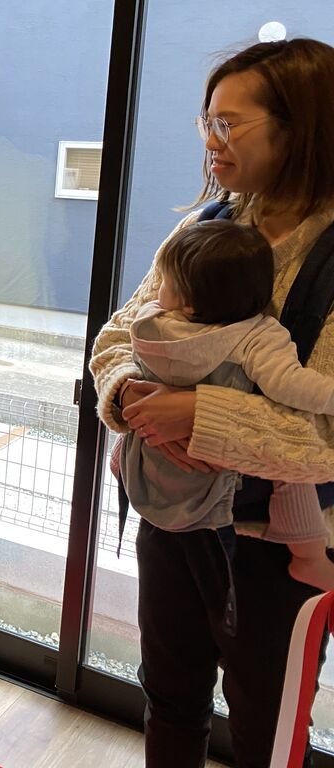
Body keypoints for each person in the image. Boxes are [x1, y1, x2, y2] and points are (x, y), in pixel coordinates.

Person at [91, 37, 334, 768]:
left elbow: (324, 433)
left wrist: (196, 417)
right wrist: (130, 394)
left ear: (300, 129)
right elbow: (118, 334)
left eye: (229, 124)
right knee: (169, 694)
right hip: (175, 515)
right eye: (207, 121)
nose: (211, 140)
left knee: (268, 729)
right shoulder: (207, 223)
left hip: (278, 544)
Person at [116, 218, 334, 592]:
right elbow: (293, 387)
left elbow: (118, 342)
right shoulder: (252, 335)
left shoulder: (151, 324)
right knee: (290, 483)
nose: (158, 289)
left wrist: (141, 402)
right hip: (224, 497)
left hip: (150, 471)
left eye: (165, 282)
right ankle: (309, 557)